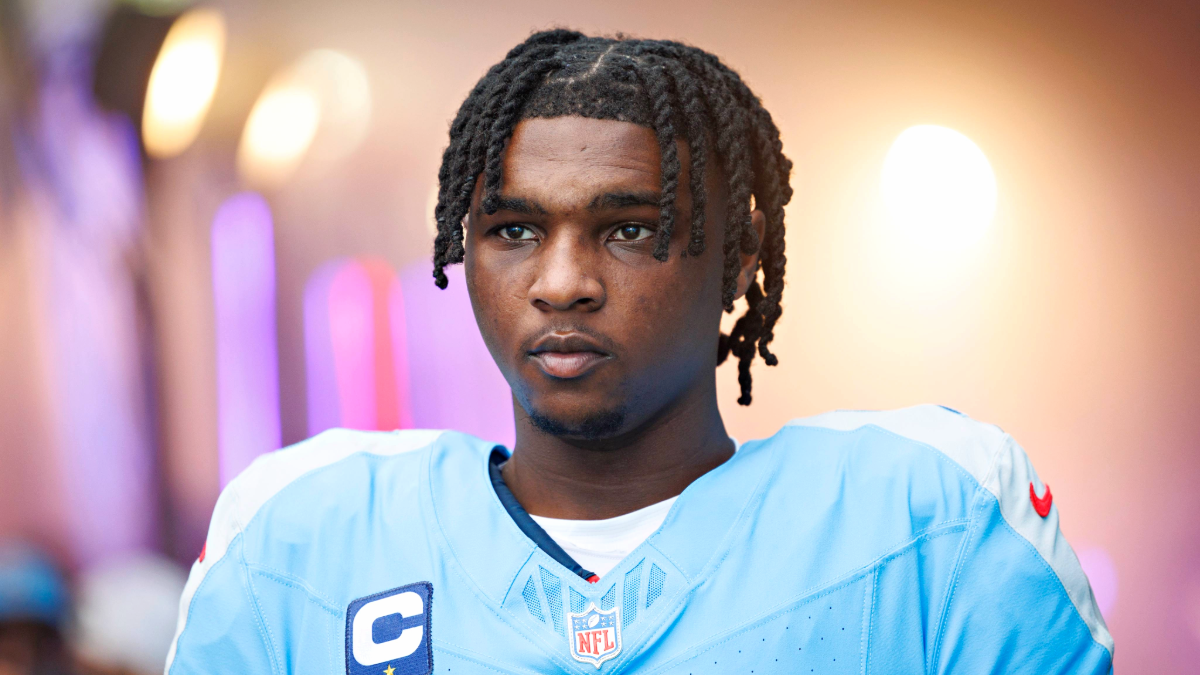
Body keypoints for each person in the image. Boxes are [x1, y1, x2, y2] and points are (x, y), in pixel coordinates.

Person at [166, 30, 1113, 674]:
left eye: (628, 229)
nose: (562, 282)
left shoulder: (932, 516)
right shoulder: (298, 536)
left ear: (740, 257)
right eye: (513, 230)